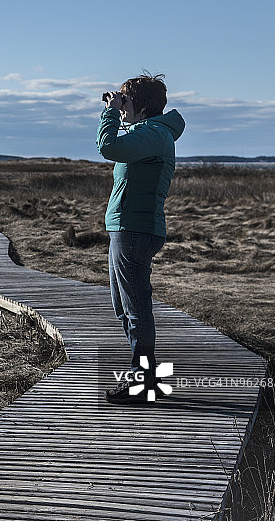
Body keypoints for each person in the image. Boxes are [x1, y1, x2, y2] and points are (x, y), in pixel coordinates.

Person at [97, 73, 185, 404]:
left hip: (135, 229)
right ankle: (142, 377)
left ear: (143, 105)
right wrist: (120, 111)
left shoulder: (154, 134)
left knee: (135, 307)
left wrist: (109, 113)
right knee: (124, 305)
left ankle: (143, 382)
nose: (120, 107)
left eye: (126, 101)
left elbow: (108, 146)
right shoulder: (147, 132)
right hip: (127, 227)